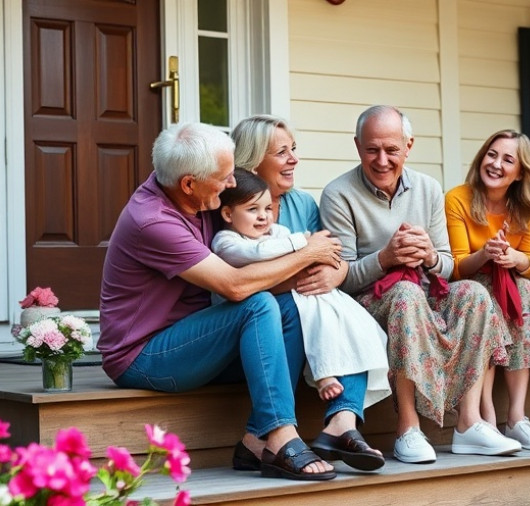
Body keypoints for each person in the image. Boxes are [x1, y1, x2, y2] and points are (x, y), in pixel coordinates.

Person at [98, 122, 342, 481]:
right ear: (189, 183)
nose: (231, 184)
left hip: (197, 341)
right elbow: (235, 287)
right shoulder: (152, 221)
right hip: (143, 355)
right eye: (224, 177)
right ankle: (282, 435)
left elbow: (256, 238)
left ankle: (256, 440)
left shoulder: (200, 198)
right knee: (256, 304)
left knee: (290, 307)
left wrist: (334, 267)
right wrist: (308, 252)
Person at [319, 105, 523, 463]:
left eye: (392, 150)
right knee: (406, 293)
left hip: (427, 292)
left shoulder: (428, 188)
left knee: (475, 293)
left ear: (408, 146)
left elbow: (446, 267)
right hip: (372, 302)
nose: (382, 160)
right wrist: (386, 258)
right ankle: (408, 430)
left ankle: (468, 424)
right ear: (357, 146)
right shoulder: (339, 194)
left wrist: (429, 255)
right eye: (372, 149)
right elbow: (343, 280)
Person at [230, 115, 388, 472]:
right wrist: (299, 270)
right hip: (249, 321)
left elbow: (331, 261)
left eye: (294, 150)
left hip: (306, 307)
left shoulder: (302, 203)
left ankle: (343, 421)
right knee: (287, 306)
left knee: (345, 311)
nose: (294, 159)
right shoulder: (230, 208)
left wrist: (330, 274)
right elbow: (238, 277)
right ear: (254, 161)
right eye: (282, 152)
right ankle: (259, 438)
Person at [211, 168, 391, 409]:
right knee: (311, 305)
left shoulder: (276, 232)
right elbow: (257, 253)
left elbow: (299, 247)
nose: (264, 217)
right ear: (228, 214)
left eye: (267, 209)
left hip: (289, 298)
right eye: (253, 209)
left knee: (339, 307)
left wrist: (312, 248)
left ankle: (371, 354)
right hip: (244, 315)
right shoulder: (226, 242)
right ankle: (324, 372)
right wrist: (304, 245)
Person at [444, 130, 530, 450]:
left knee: (526, 289)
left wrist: (513, 257)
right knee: (487, 292)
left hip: (509, 287)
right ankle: (486, 413)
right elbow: (455, 266)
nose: (496, 164)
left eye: (508, 159)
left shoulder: (529, 207)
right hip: (466, 290)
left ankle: (517, 418)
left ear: (520, 172)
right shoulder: (458, 198)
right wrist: (487, 253)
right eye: (491, 154)